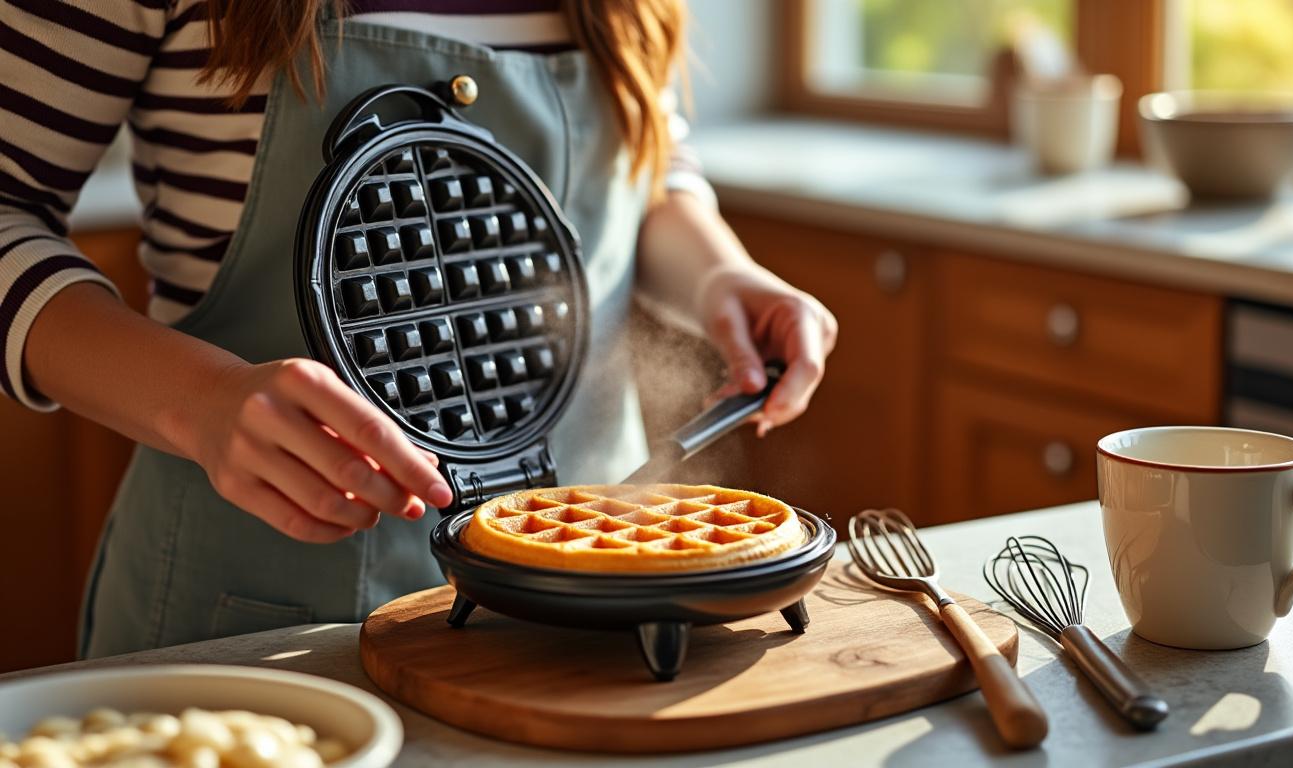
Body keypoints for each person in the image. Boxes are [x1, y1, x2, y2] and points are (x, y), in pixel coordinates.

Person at [1, 0, 837, 657]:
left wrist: (723, 274)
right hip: (257, 613)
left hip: (601, 596)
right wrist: (205, 401)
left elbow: (648, 166)